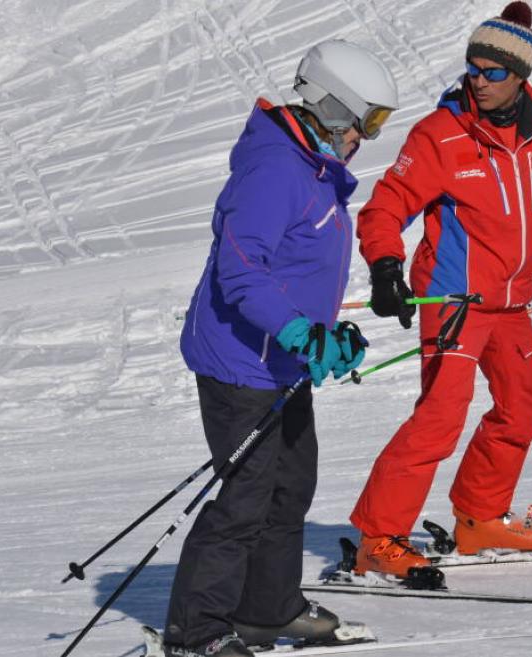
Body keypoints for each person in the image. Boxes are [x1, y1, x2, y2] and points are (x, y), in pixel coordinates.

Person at [163, 41, 398, 657]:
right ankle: (197, 633)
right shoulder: (275, 169)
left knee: (290, 487)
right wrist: (299, 332)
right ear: (333, 109)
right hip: (239, 364)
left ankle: (268, 610)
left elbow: (298, 270)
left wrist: (324, 335)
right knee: (244, 499)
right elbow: (242, 273)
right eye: (368, 121)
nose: (368, 138)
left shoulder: (313, 168)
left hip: (280, 363)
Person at [348, 1, 532, 578]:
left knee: (521, 405)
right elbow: (387, 207)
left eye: (493, 72)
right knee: (440, 416)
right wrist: (386, 268)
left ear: (521, 77)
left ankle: (479, 518)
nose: (478, 80)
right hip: (454, 300)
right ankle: (378, 539)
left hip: (510, 302)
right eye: (472, 68)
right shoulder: (441, 134)